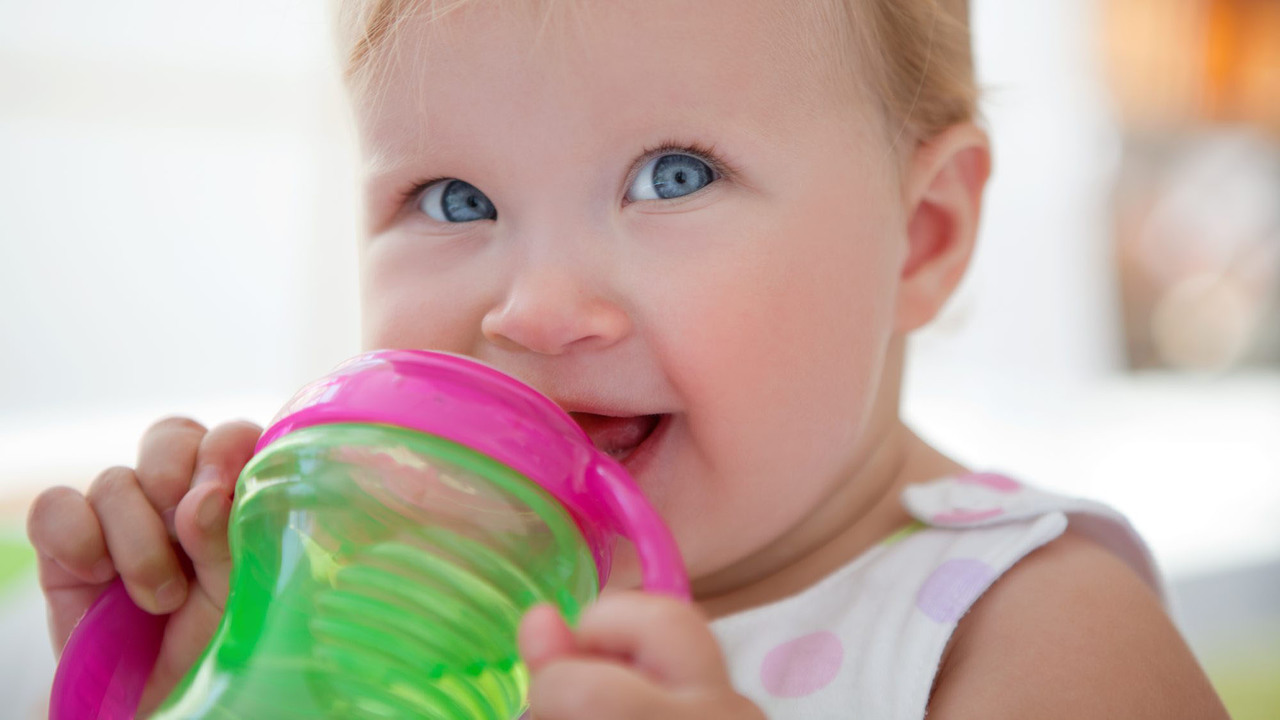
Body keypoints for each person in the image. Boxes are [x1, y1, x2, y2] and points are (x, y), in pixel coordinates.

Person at [26, 0, 1229, 717]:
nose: (537, 312)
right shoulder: (389, 604)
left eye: (673, 177)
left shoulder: (1032, 631)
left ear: (921, 237)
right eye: (451, 197)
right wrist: (223, 681)